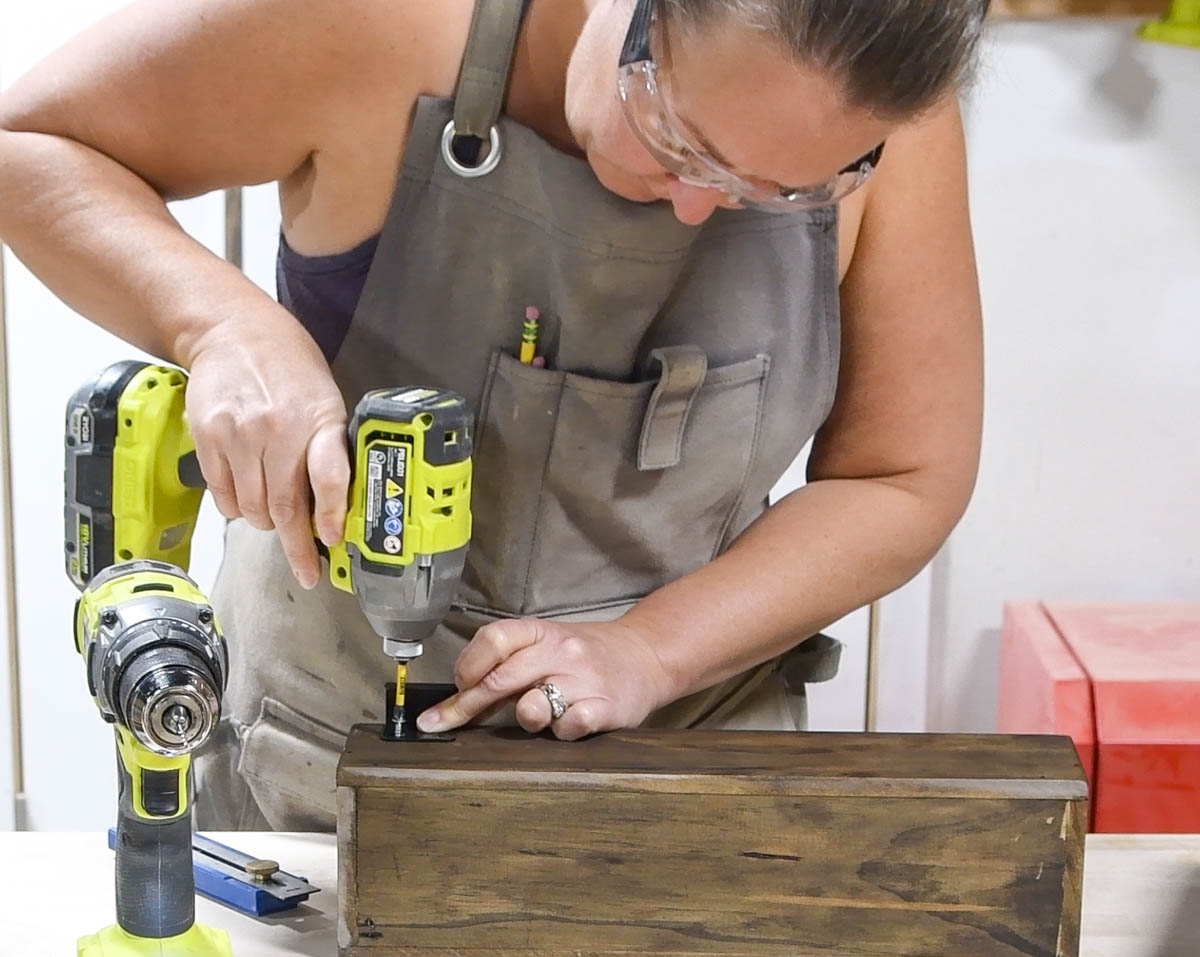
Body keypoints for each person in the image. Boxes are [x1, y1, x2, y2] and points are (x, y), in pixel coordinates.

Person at [0, 0, 986, 831]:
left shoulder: (882, 106)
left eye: (773, 191)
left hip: (690, 778)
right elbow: (30, 145)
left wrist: (650, 649)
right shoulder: (380, 22)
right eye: (678, 138)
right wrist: (218, 322)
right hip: (322, 767)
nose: (694, 206)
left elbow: (901, 477)